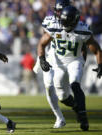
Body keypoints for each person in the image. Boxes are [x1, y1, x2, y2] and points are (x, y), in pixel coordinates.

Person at [37, 5, 102, 131]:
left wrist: (100, 64)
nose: (65, 25)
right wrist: (42, 59)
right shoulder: (55, 27)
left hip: (74, 60)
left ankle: (83, 117)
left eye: (68, 22)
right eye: (63, 21)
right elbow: (42, 43)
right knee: (62, 96)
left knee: (75, 84)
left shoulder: (82, 30)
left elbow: (97, 49)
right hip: (58, 64)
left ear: (75, 20)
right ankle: (77, 108)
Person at [33, 0, 71, 129]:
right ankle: (59, 118)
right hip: (51, 57)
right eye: (57, 10)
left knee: (63, 95)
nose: (58, 13)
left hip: (68, 59)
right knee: (49, 86)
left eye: (61, 10)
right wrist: (42, 58)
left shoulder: (76, 21)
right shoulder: (49, 20)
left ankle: (76, 106)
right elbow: (44, 41)